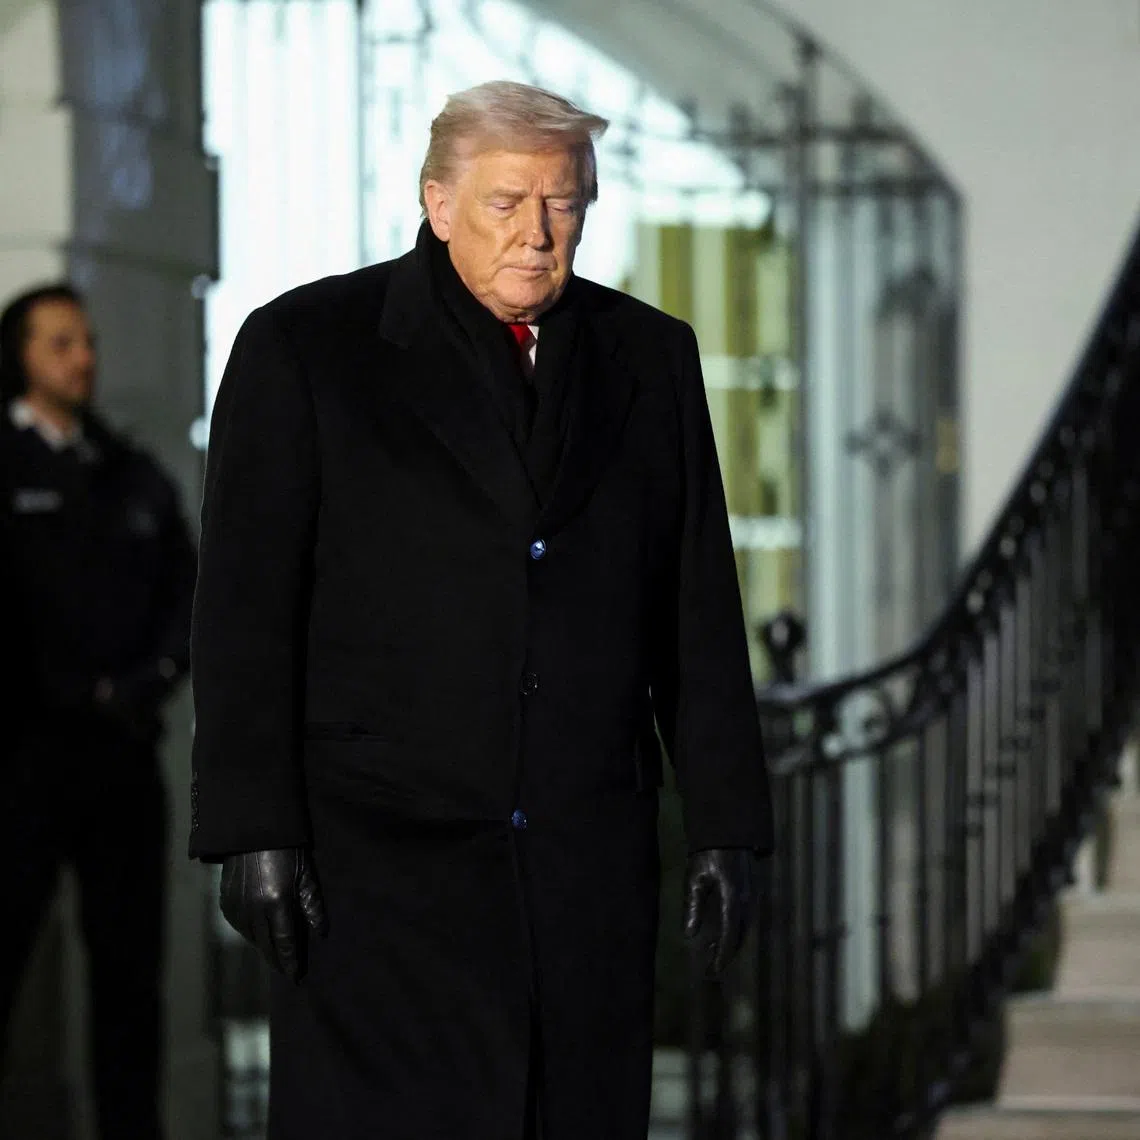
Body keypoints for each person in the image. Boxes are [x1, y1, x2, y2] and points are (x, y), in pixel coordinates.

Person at [189, 80, 772, 1140]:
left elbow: (694, 605)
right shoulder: (308, 348)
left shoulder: (650, 357)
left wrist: (726, 826)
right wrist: (251, 828)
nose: (542, 234)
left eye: (568, 203)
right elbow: (243, 606)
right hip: (375, 866)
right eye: (509, 202)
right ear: (439, 202)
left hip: (581, 855)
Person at [0, 283, 197, 1139]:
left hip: (120, 761)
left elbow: (188, 596)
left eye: (86, 341)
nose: (83, 358)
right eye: (60, 343)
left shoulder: (127, 471)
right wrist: (59, 692)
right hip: (20, 765)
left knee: (129, 980)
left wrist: (144, 683)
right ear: (20, 357)